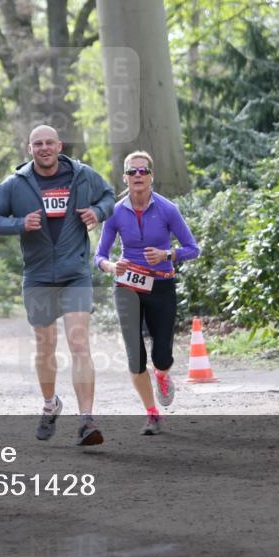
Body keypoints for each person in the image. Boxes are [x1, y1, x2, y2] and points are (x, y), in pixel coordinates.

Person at [0, 125, 115, 446]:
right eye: (37, 144)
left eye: (49, 143)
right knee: (45, 346)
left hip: (75, 273)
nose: (44, 148)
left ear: (59, 146)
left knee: (79, 343)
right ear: (29, 149)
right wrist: (19, 224)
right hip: (38, 275)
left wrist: (97, 212)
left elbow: (109, 196)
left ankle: (87, 420)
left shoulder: (82, 175)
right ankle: (50, 404)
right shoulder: (15, 184)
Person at [94, 150, 199, 435]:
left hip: (161, 285)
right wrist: (112, 266)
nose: (138, 175)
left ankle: (162, 374)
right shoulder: (115, 212)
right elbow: (99, 256)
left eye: (143, 171)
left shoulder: (167, 209)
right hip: (127, 285)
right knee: (134, 354)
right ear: (124, 177)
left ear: (152, 176)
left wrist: (167, 254)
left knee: (162, 355)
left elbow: (193, 248)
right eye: (132, 171)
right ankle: (152, 414)